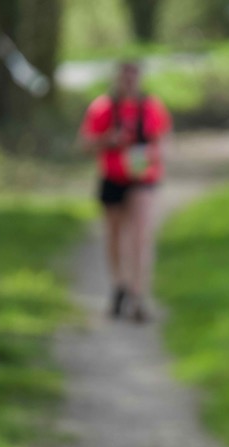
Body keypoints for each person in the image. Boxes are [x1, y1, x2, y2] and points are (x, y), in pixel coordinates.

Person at [78, 60, 172, 323]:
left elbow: (165, 142)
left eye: (133, 77)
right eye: (125, 77)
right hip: (112, 178)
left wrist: (153, 153)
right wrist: (109, 140)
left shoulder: (152, 107)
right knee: (115, 235)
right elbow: (84, 143)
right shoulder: (103, 108)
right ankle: (119, 285)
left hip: (143, 178)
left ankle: (139, 294)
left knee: (141, 236)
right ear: (118, 79)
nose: (129, 82)